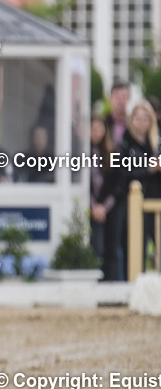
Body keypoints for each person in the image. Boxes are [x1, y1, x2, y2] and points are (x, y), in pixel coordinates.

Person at [112, 101, 161, 281]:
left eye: (145, 118)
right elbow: (123, 173)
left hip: (156, 203)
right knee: (135, 248)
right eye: (137, 118)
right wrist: (148, 169)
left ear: (151, 121)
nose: (141, 122)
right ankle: (134, 286)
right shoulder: (124, 144)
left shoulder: (157, 144)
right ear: (131, 120)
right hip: (132, 208)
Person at [89, 114, 117, 273]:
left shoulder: (112, 154)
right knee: (96, 247)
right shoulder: (80, 152)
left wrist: (103, 207)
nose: (96, 132)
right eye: (93, 128)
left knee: (111, 248)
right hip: (89, 207)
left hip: (108, 207)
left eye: (100, 128)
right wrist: (93, 206)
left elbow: (117, 186)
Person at [105, 81, 130, 147]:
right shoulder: (104, 123)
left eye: (124, 97)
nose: (120, 101)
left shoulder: (134, 123)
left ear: (128, 99)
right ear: (110, 99)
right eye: (117, 97)